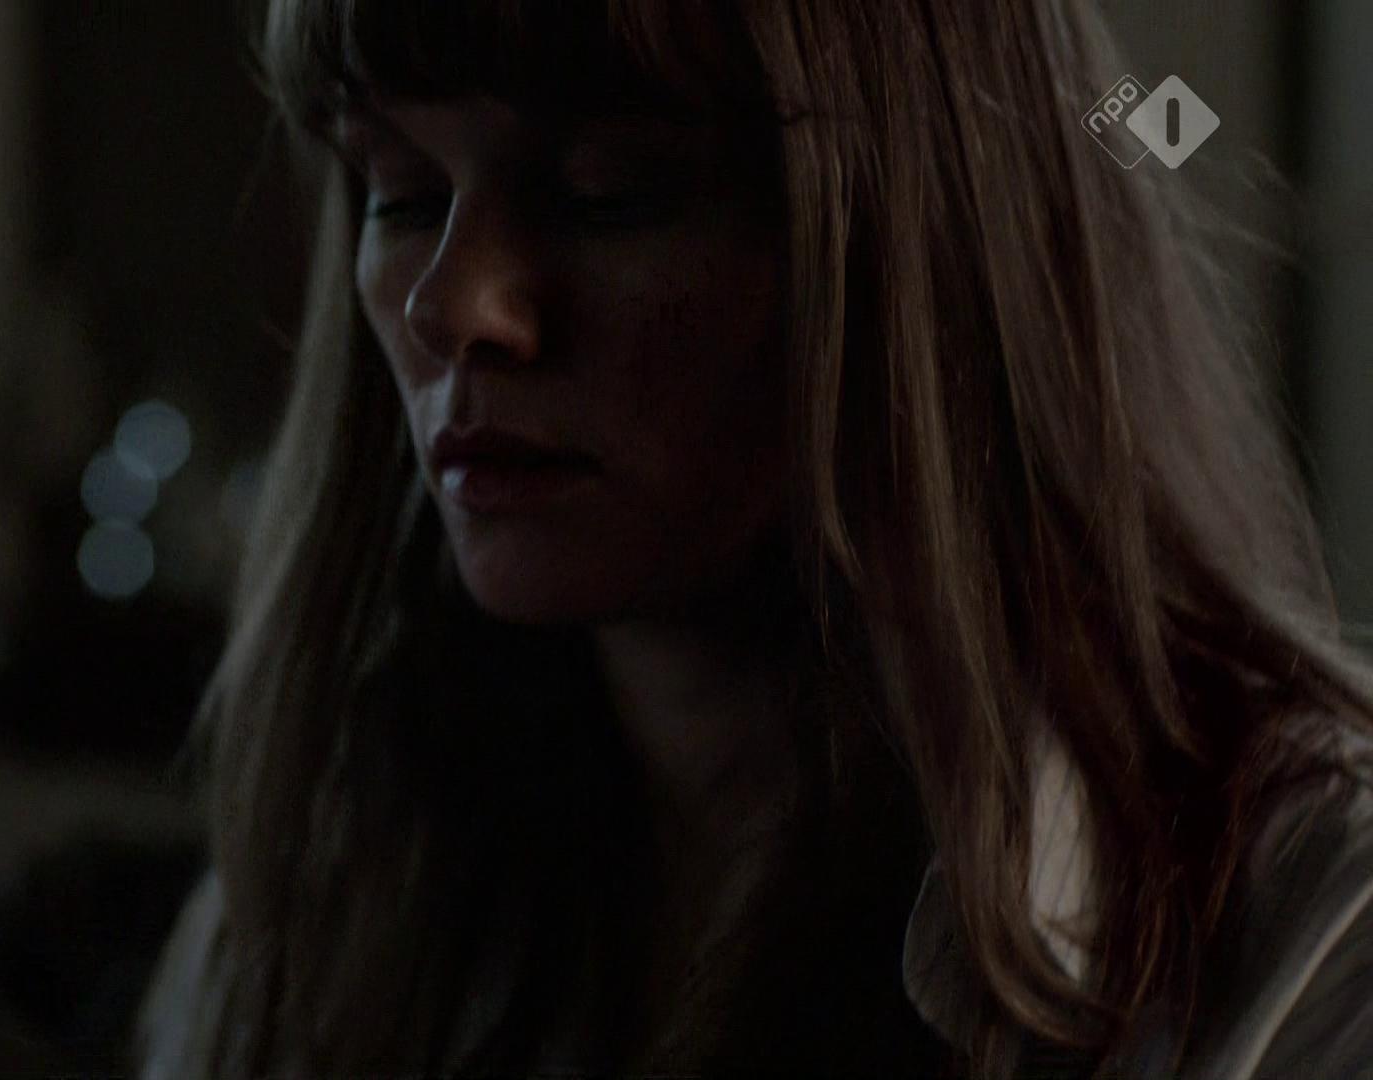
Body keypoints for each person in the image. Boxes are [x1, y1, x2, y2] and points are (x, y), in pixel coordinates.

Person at [136, 0, 1373, 1076]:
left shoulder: (1316, 935)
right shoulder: (312, 926)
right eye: (401, 193)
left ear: (937, 241)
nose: (455, 304)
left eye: (608, 192)